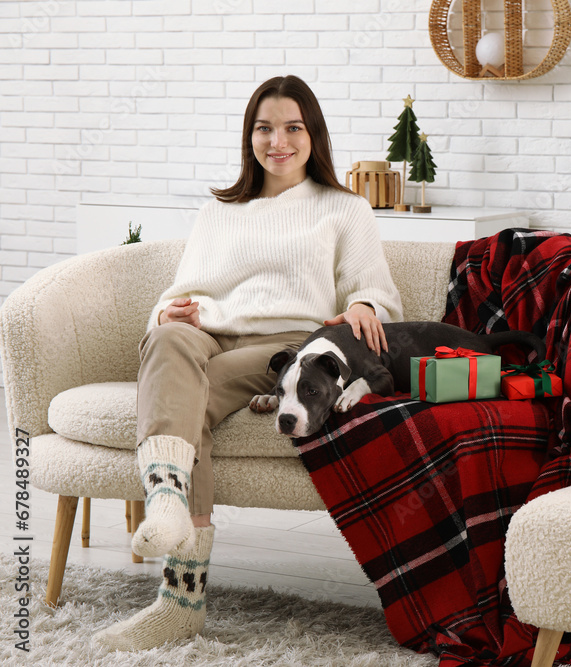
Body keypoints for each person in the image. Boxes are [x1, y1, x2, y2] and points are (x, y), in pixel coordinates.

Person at [94, 75, 403, 651]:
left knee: (186, 397)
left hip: (283, 349)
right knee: (167, 342)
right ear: (249, 135)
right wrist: (165, 313)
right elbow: (182, 289)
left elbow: (374, 294)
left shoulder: (344, 208)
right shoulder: (219, 209)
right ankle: (166, 501)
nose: (277, 141)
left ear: (313, 135)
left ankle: (178, 599)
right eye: (265, 128)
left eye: (292, 128)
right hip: (207, 334)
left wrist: (363, 302)